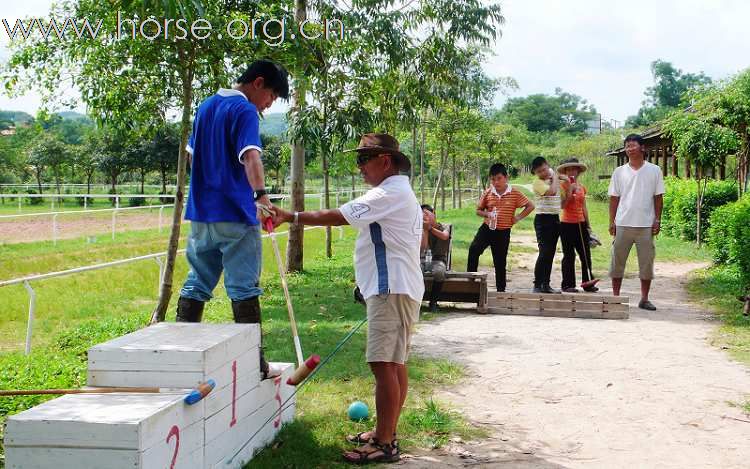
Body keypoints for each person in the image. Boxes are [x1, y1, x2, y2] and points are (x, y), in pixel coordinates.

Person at [272, 133, 422, 464]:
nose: (359, 169)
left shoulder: (388, 192)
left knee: (382, 363)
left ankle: (384, 443)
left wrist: (290, 216)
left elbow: (340, 215)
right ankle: (387, 432)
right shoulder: (397, 192)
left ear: (385, 161)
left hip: (391, 289)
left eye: (363, 160)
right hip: (398, 287)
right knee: (394, 363)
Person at [175, 60, 289, 379]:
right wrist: (261, 197)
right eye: (272, 97)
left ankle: (180, 352)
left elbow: (192, 155)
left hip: (202, 214)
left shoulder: (206, 106)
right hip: (236, 214)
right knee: (242, 286)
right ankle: (254, 362)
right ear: (258, 83)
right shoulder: (244, 111)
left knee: (197, 281)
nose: (268, 104)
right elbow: (251, 155)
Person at [608, 133, 665, 310]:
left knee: (646, 263)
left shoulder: (654, 170)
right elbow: (614, 198)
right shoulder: (619, 172)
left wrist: (657, 219)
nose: (630, 149)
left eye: (633, 145)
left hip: (646, 225)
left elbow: (658, 198)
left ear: (642, 148)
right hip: (623, 223)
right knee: (617, 261)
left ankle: (644, 299)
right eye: (627, 146)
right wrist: (612, 221)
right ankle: (615, 297)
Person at [467, 163, 534, 292]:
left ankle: (500, 290)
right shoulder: (488, 192)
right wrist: (487, 214)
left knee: (500, 261)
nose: (496, 182)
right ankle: (471, 282)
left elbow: (530, 206)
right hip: (487, 229)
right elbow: (478, 210)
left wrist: (517, 218)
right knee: (474, 249)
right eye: (493, 179)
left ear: (506, 178)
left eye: (499, 178)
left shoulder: (514, 193)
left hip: (503, 232)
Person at [557, 158, 598, 293]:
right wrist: (570, 190)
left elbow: (583, 206)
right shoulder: (562, 186)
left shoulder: (582, 187)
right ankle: (568, 285)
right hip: (567, 224)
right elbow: (562, 205)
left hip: (581, 224)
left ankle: (588, 282)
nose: (571, 172)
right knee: (569, 255)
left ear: (578, 171)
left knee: (585, 254)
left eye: (574, 169)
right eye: (568, 169)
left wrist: (588, 224)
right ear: (565, 171)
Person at [530, 156, 564, 294]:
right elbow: (552, 192)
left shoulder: (551, 175)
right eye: (539, 171)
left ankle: (546, 285)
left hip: (555, 218)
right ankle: (537, 285)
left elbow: (564, 181)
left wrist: (559, 178)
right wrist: (555, 177)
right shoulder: (537, 182)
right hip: (542, 219)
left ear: (547, 165)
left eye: (544, 169)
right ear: (535, 172)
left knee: (550, 253)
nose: (543, 173)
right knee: (544, 252)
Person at [420, 204, 451, 312]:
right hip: (424, 259)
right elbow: (423, 248)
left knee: (439, 272)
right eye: (422, 215)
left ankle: (433, 302)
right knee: (416, 271)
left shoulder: (444, 226)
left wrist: (430, 228)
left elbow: (444, 236)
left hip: (438, 259)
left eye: (427, 214)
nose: (425, 217)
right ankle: (417, 301)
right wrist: (425, 231)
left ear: (434, 214)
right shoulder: (420, 229)